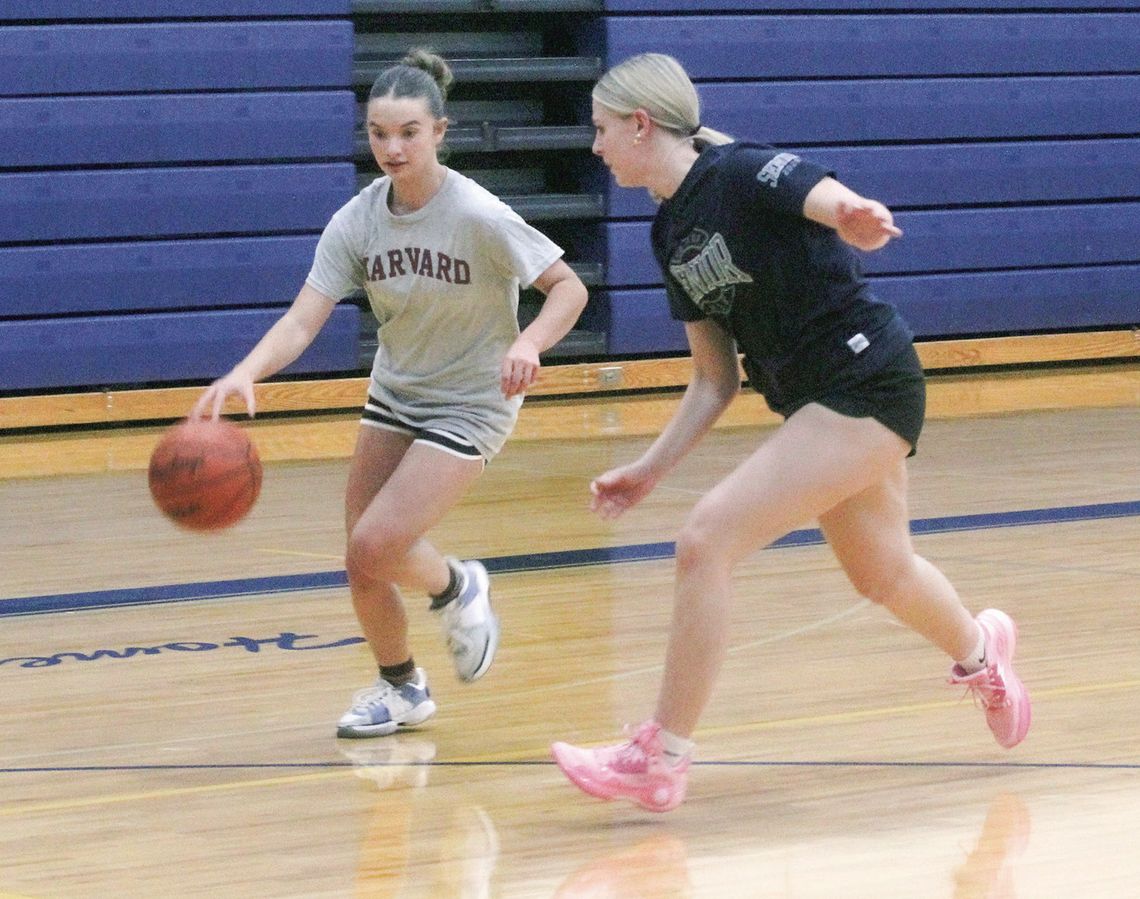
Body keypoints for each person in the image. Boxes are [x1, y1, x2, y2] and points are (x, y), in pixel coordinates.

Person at [550, 53, 1030, 812]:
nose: (597, 147)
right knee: (883, 573)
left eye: (603, 130)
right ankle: (982, 654)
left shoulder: (735, 172)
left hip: (866, 377)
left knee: (705, 540)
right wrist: (649, 468)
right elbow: (715, 378)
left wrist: (852, 213)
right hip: (816, 399)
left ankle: (660, 755)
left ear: (642, 125)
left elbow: (815, 191)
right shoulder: (669, 232)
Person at [193, 49, 588, 738]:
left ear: (440, 131)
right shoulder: (358, 221)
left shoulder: (478, 214)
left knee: (378, 541)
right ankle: (401, 685)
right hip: (397, 393)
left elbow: (568, 288)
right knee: (361, 556)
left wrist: (528, 344)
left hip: (472, 399)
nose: (392, 147)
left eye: (407, 132)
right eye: (379, 133)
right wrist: (244, 372)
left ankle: (457, 585)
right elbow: (302, 317)